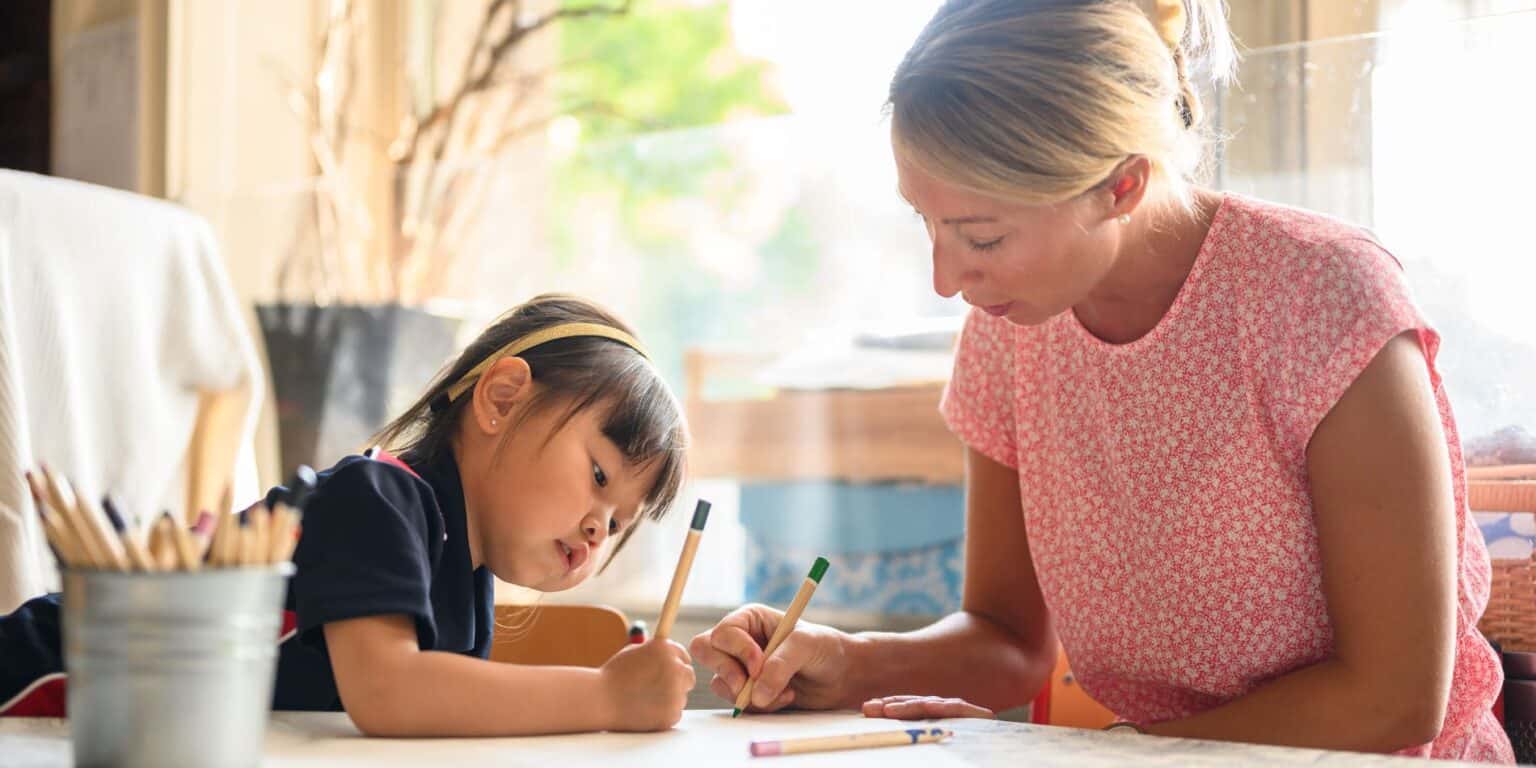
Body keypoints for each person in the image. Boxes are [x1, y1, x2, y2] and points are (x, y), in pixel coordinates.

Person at [690, 1, 1514, 760]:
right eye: (927, 223)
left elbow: (1394, 702)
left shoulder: (1323, 297)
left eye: (979, 236)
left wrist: (1111, 753)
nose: (945, 278)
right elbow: (1008, 639)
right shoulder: (1008, 329)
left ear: (1121, 184)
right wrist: (843, 661)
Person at [1, 294, 697, 737]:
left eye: (620, 521)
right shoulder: (377, 498)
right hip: (41, 694)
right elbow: (388, 693)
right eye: (599, 476)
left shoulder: (466, 578)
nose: (597, 529)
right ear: (502, 399)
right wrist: (607, 697)